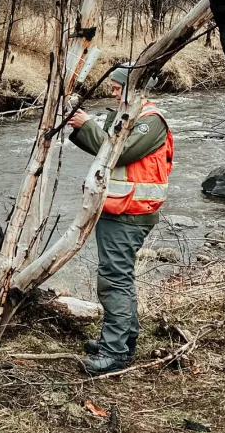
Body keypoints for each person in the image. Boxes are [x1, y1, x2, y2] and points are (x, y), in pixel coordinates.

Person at [66, 64, 174, 375]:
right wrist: (80, 125)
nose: (113, 92)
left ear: (136, 88)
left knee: (114, 281)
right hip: (118, 210)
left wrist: (86, 124)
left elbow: (118, 153)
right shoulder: (127, 115)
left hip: (129, 213)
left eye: (118, 87)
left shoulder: (150, 121)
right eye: (112, 87)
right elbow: (101, 148)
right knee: (119, 278)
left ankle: (114, 352)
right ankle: (122, 343)